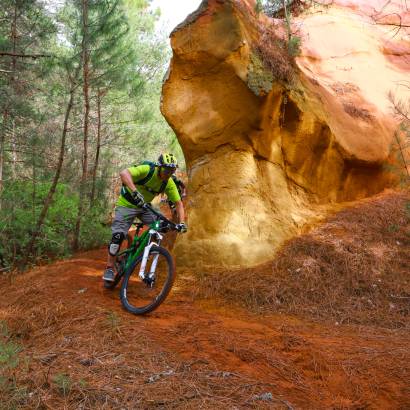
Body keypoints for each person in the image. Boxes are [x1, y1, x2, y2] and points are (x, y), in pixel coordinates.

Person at [102, 153, 187, 282]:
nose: (168, 173)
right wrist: (135, 192)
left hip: (144, 207)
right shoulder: (148, 170)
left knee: (162, 226)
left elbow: (178, 203)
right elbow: (124, 173)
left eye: (172, 170)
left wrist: (182, 222)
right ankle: (109, 267)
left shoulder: (168, 183)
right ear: (159, 167)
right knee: (118, 236)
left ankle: (146, 250)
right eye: (166, 169)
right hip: (127, 205)